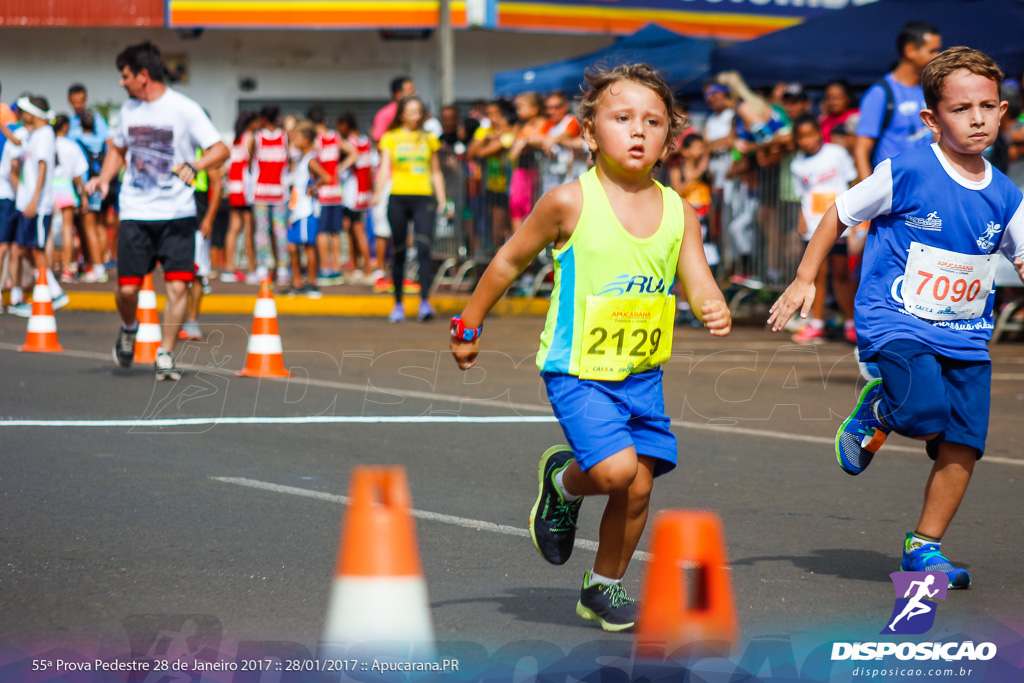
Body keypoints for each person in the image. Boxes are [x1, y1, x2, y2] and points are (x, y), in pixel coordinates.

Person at [450, 63, 731, 631]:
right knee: (612, 472)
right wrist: (469, 323)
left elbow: (696, 274)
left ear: (669, 140)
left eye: (653, 122)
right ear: (588, 133)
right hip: (578, 369)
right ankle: (562, 481)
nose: (637, 131)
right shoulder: (568, 202)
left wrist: (711, 301)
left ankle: (603, 587)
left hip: (642, 374)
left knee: (639, 486)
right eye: (622, 117)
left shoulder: (681, 211)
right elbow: (507, 260)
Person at [768, 47, 1024, 589]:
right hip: (897, 319)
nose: (976, 119)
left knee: (963, 443)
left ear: (1003, 112)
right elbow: (839, 212)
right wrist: (804, 279)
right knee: (922, 414)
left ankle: (923, 547)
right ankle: (879, 410)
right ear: (932, 119)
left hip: (967, 336)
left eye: (986, 107)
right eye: (960, 109)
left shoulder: (1007, 195)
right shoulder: (906, 171)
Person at [86, 41, 229, 381]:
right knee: (126, 290)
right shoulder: (128, 112)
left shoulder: (184, 109)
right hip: (136, 211)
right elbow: (118, 151)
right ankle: (129, 327)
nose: (122, 83)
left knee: (178, 286)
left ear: (143, 76)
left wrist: (196, 164)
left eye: (125, 76)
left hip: (177, 213)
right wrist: (104, 179)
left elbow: (221, 149)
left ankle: (165, 353)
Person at [372, 95, 449, 323]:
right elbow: (385, 167)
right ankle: (398, 303)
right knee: (399, 252)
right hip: (397, 198)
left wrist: (443, 199)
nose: (416, 116)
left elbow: (435, 171)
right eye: (411, 112)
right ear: (402, 114)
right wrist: (376, 194)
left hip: (423, 198)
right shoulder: (390, 138)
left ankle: (425, 301)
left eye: (419, 112)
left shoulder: (429, 139)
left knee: (424, 249)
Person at [788, 114, 858, 344]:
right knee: (816, 275)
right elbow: (803, 195)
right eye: (802, 136)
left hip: (839, 223)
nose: (807, 140)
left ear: (819, 133)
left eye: (811, 134)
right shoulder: (797, 165)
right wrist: (801, 217)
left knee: (840, 275)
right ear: (797, 139)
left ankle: (851, 324)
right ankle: (816, 323)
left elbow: (852, 182)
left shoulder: (836, 154)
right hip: (814, 225)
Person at [853, 20, 941, 180]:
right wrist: (869, 197)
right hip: (893, 192)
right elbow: (861, 150)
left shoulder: (931, 89)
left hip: (926, 186)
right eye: (932, 51)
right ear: (910, 51)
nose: (938, 56)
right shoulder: (880, 93)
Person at [9, 95, 69, 317]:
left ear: (32, 114)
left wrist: (35, 199)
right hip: (28, 203)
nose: (22, 115)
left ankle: (54, 292)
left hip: (38, 204)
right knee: (26, 248)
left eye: (24, 111)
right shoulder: (34, 135)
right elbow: (17, 144)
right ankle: (52, 289)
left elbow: (43, 168)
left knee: (36, 248)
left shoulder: (44, 135)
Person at [180, 143, 223, 341]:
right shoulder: (176, 149)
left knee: (197, 274)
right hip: (176, 220)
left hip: (198, 220)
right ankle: (179, 319)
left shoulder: (204, 155)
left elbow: (218, 184)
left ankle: (192, 320)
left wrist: (209, 218)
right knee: (177, 274)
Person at [221, 110, 259, 283]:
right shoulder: (250, 138)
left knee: (233, 228)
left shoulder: (235, 140)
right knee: (249, 230)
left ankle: (229, 268)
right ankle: (252, 268)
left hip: (233, 187)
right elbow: (252, 163)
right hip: (246, 188)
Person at [336, 112, 375, 281]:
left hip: (352, 192)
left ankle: (366, 267)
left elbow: (353, 159)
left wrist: (339, 168)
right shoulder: (366, 141)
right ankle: (356, 265)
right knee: (354, 229)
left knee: (357, 230)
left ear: (345, 124)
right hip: (364, 191)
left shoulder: (349, 143)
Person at [51, 114, 90, 282]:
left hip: (49, 188)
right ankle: (67, 269)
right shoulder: (72, 146)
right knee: (67, 230)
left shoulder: (48, 143)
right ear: (65, 126)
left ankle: (47, 269)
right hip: (66, 188)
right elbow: (78, 174)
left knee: (47, 232)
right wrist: (83, 195)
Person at [819, 79, 859, 145]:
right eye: (829, 98)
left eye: (837, 98)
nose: (832, 102)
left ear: (847, 98)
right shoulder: (824, 120)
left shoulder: (856, 117)